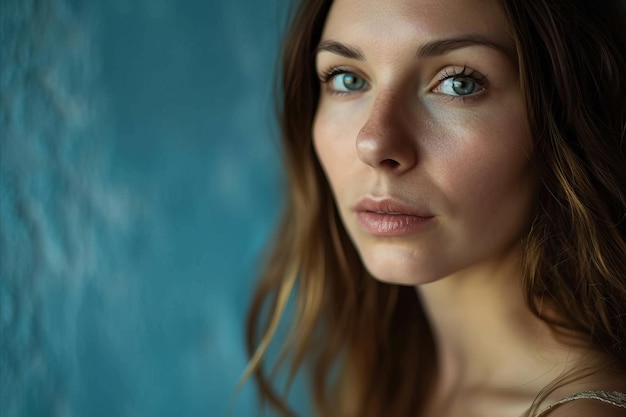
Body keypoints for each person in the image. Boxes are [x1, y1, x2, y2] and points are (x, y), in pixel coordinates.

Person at [244, 0, 626, 416]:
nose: (374, 143)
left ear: (564, 117)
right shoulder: (394, 377)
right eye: (349, 78)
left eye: (458, 84)